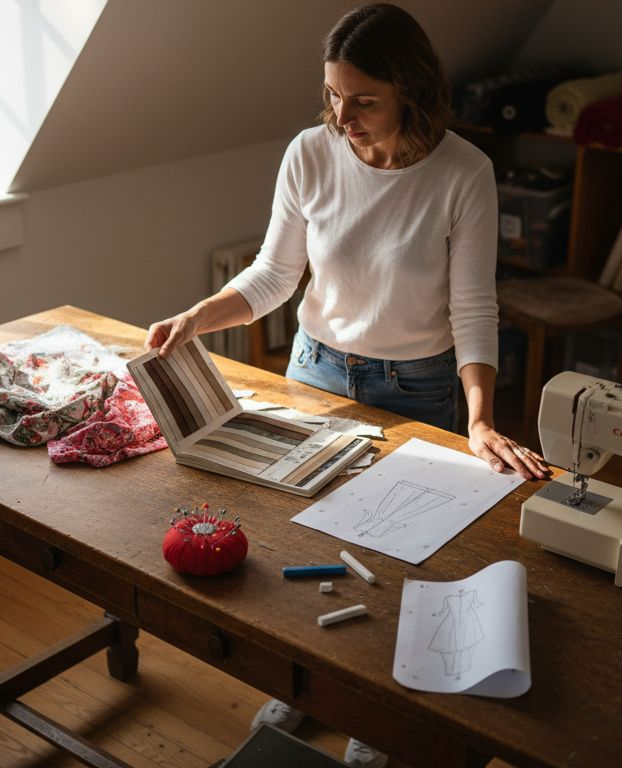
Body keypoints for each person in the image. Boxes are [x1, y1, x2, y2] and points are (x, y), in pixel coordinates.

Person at [145, 4, 548, 766]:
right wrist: (196, 318)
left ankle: (376, 709)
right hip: (316, 372)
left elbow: (473, 309)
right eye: (333, 95)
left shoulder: (464, 173)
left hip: (418, 387)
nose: (343, 115)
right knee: (306, 545)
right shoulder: (309, 153)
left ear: (411, 90)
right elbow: (273, 276)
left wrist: (481, 418)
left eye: (363, 100)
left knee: (397, 565)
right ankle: (308, 686)